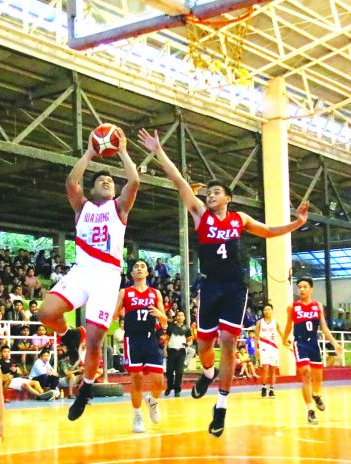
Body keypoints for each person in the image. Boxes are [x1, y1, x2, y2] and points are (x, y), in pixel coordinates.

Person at [138, 127, 309, 437]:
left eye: (217, 192)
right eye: (209, 192)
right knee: (205, 345)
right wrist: (158, 150)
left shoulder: (239, 219)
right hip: (210, 285)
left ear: (228, 198)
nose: (210, 195)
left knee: (229, 342)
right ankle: (207, 371)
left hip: (234, 287)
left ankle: (221, 406)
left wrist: (296, 223)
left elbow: (269, 231)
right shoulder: (200, 215)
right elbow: (178, 181)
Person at [37, 127, 139, 422]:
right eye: (101, 180)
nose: (107, 182)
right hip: (82, 271)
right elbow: (71, 181)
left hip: (107, 277)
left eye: (110, 180)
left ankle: (86, 389)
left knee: (95, 340)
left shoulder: (119, 208)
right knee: (45, 314)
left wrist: (121, 150)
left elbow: (133, 180)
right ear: (93, 189)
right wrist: (92, 151)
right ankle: (70, 335)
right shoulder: (82, 207)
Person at [114, 259, 167, 432]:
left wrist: (160, 314)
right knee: (136, 380)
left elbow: (165, 323)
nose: (139, 268)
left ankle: (152, 401)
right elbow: (114, 316)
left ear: (147, 272)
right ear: (131, 274)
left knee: (159, 381)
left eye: (142, 266)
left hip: (150, 339)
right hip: (132, 340)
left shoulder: (155, 293)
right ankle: (137, 415)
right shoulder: (125, 292)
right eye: (136, 267)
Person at [283, 277, 342, 425]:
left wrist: (335, 343)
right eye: (299, 287)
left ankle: (316, 395)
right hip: (300, 343)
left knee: (318, 378)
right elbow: (289, 326)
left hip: (314, 344)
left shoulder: (318, 306)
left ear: (311, 289)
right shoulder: (293, 307)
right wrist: (284, 339)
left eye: (304, 287)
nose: (301, 289)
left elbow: (324, 327)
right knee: (306, 373)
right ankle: (310, 411)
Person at [255, 303, 283, 398]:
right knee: (265, 368)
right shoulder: (260, 322)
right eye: (265, 310)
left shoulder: (276, 322)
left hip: (273, 347)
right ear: (263, 311)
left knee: (273, 370)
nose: (266, 311)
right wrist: (256, 349)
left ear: (272, 310)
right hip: (263, 347)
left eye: (268, 309)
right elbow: (256, 336)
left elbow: (281, 333)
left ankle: (271, 389)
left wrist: (286, 341)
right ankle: (263, 387)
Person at [165, 311, 192, 398]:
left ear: (184, 318)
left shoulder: (187, 329)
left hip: (181, 352)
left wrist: (188, 344)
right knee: (169, 371)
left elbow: (190, 340)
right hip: (171, 351)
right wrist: (164, 350)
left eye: (181, 315)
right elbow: (166, 339)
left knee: (179, 372)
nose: (180, 317)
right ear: (176, 317)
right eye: (178, 315)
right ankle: (169, 387)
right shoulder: (170, 327)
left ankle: (177, 390)